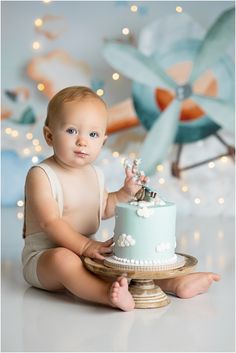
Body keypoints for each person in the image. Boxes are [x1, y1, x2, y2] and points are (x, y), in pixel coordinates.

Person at [21, 86, 220, 312]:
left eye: (93, 134)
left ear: (103, 142)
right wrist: (85, 245)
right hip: (44, 259)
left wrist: (125, 193)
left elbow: (105, 207)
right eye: (71, 131)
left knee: (123, 260)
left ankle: (173, 282)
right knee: (64, 259)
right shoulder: (41, 174)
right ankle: (105, 295)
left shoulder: (95, 174)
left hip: (88, 253)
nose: (82, 141)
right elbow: (50, 222)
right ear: (49, 135)